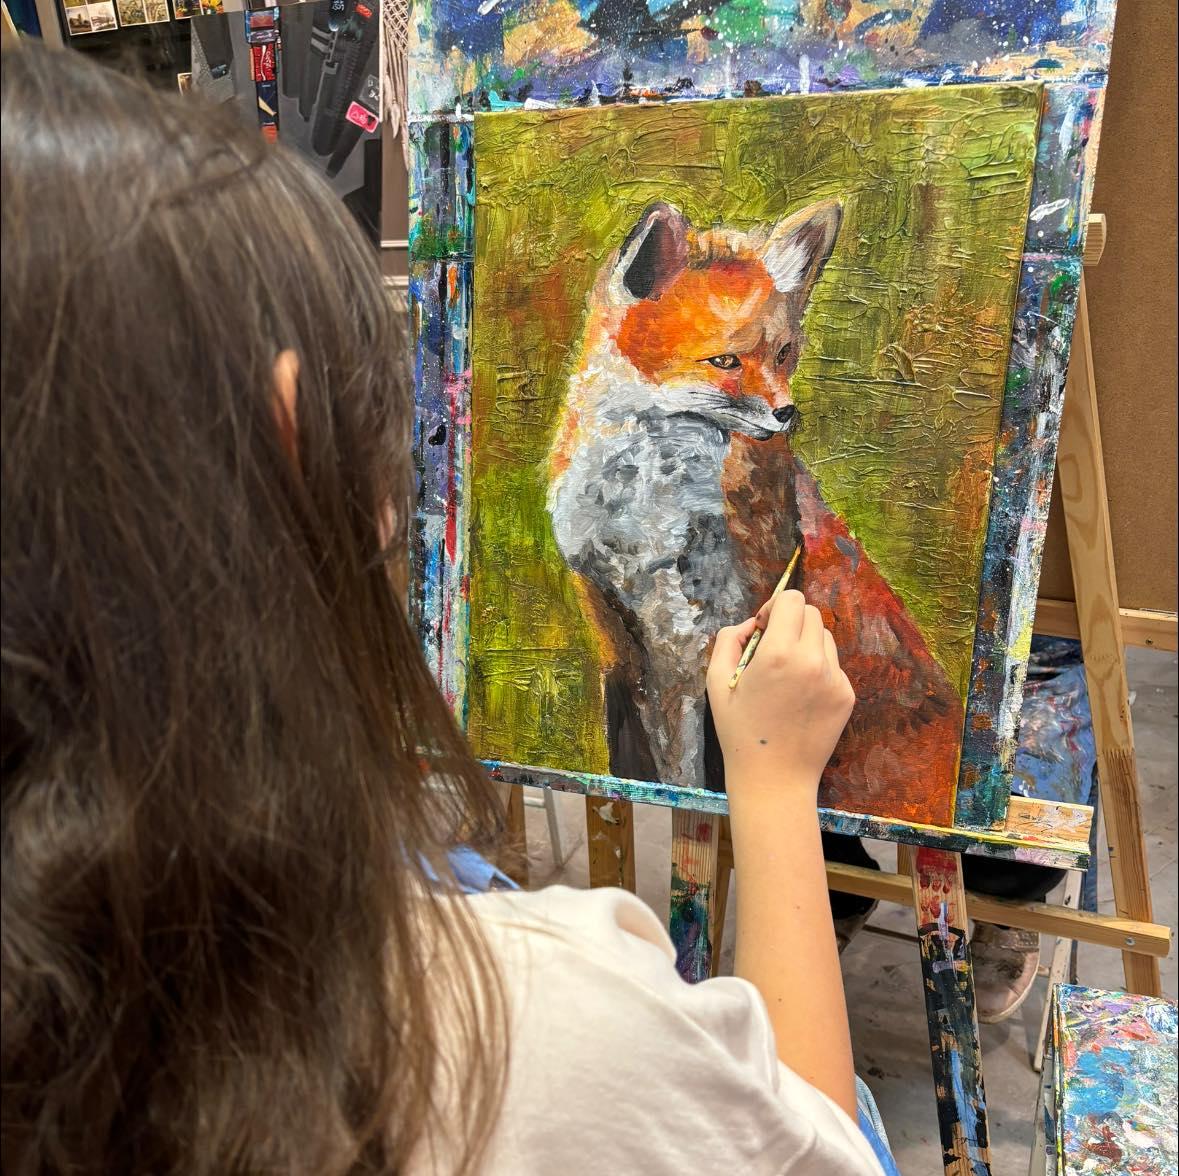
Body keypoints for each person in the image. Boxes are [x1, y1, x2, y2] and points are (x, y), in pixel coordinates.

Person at [1, 45, 892, 1174]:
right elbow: (814, 1146)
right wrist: (771, 789)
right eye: (730, 365)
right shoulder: (537, 1022)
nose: (776, 394)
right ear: (293, 438)